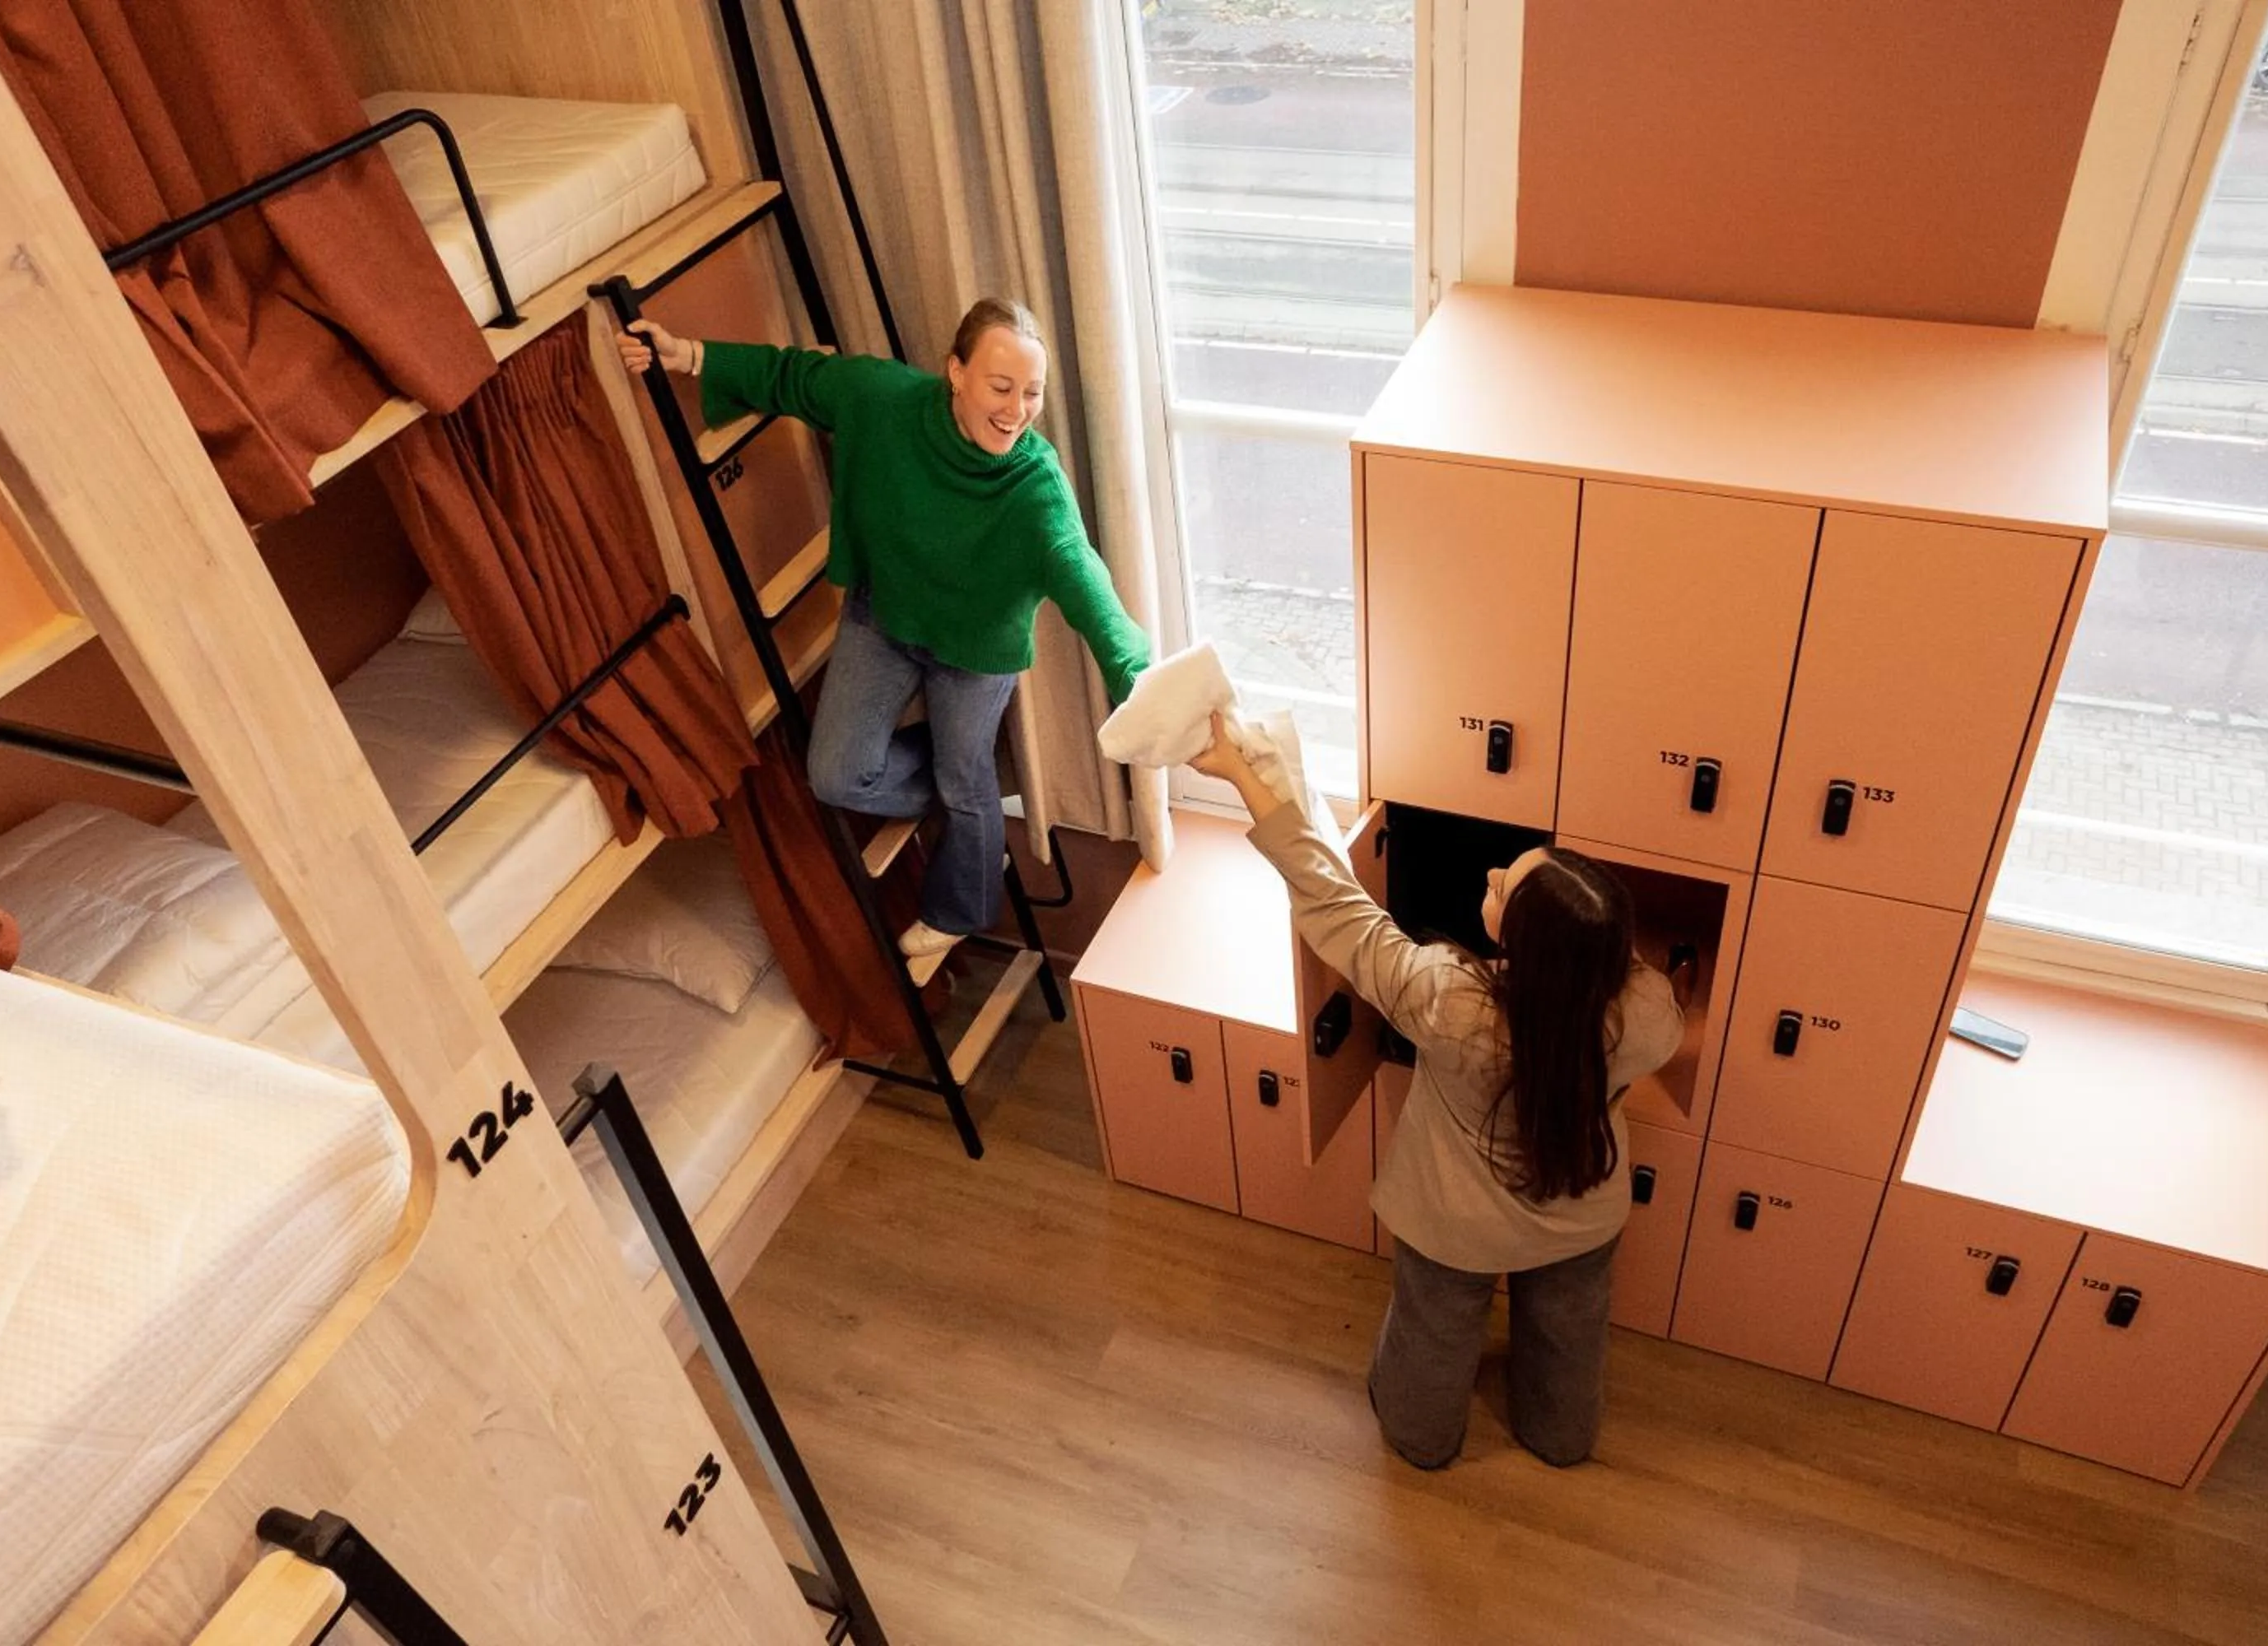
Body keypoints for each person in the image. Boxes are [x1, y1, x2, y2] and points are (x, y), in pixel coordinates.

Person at [1190, 714, 1684, 1469]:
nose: (1491, 874)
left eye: (1505, 886)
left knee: (1436, 1327)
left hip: (1458, 1224)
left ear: (1522, 942)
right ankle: (1560, 1437)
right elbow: (1620, 975)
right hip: (1584, 1213)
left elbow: (1337, 907)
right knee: (1571, 1332)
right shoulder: (1647, 1015)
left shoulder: (1450, 1001)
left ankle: (1421, 1439)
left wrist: (1243, 775)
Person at [619, 299, 1148, 958]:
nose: (1017, 411)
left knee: (964, 784)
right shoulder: (883, 400)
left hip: (976, 650)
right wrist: (689, 355)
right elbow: (795, 377)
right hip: (886, 613)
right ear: (956, 372)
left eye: (1032, 393)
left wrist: (1138, 676)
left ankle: (963, 890)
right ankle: (971, 796)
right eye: (1001, 386)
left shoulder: (1035, 484)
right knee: (838, 776)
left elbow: (1085, 579)